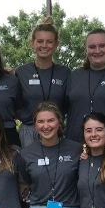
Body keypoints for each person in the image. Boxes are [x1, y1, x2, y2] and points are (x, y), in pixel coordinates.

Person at [64, 29, 105, 145]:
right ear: (85, 50)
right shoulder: (74, 77)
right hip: (76, 147)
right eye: (92, 47)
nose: (97, 51)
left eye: (102, 46)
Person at [16, 17, 71, 147]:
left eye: (49, 42)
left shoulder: (65, 72)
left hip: (56, 131)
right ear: (32, 43)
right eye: (40, 41)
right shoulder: (21, 72)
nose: (44, 46)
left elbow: (69, 105)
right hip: (29, 132)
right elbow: (15, 105)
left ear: (56, 44)